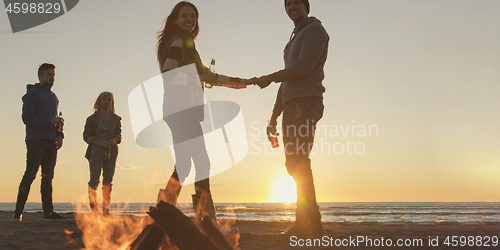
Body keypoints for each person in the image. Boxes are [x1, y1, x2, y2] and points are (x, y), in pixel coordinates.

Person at [156, 1, 245, 223]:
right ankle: (206, 218)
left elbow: (208, 76)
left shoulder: (187, 43)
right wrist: (197, 78)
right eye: (184, 16)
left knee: (185, 164)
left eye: (193, 17)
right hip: (181, 111)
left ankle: (164, 211)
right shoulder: (179, 40)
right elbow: (168, 72)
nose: (190, 20)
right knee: (202, 163)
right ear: (175, 20)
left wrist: (240, 82)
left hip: (179, 111)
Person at [251, 0, 329, 237]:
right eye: (287, 4)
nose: (291, 7)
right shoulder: (294, 36)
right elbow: (288, 78)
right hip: (292, 103)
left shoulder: (315, 30)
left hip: (307, 102)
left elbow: (303, 68)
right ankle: (304, 222)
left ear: (306, 6)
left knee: (300, 161)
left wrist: (270, 77)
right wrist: (274, 116)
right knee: (293, 164)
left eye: (296, 3)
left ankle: (312, 226)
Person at [12, 63, 66, 221]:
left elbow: (57, 121)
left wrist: (60, 135)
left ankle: (48, 213)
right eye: (49, 74)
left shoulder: (53, 97)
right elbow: (27, 118)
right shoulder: (32, 94)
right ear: (40, 76)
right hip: (35, 141)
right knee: (30, 175)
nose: (52, 77)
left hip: (51, 142)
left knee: (48, 177)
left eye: (54, 75)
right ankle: (17, 213)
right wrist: (49, 122)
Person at [83, 91, 122, 216]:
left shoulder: (116, 119)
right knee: (94, 180)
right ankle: (94, 208)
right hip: (96, 151)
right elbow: (86, 136)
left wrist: (113, 140)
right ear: (99, 102)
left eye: (109, 100)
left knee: (108, 181)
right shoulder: (92, 119)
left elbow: (119, 135)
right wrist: (98, 143)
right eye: (104, 100)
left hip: (111, 152)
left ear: (112, 103)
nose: (106, 102)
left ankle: (106, 209)